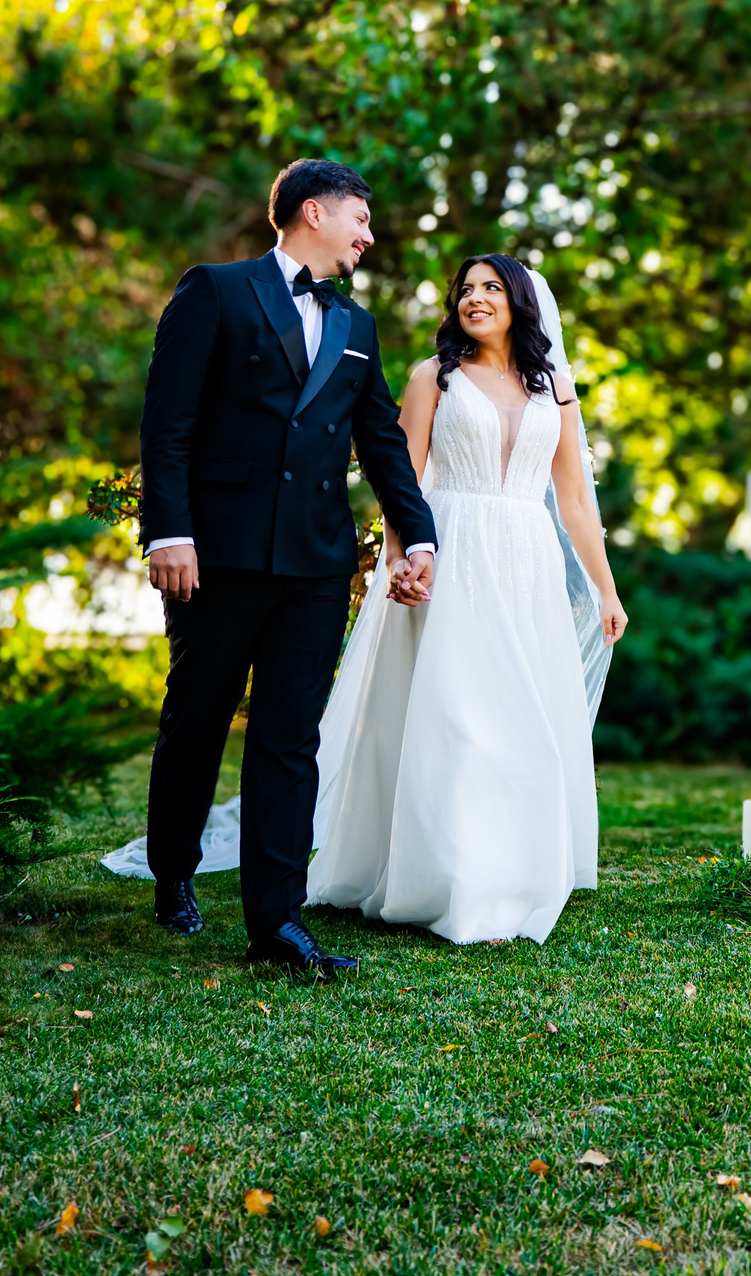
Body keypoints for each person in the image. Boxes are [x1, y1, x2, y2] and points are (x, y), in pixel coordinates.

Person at [126, 160, 438, 979]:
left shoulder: (358, 327)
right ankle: (174, 873)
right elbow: (168, 427)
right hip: (216, 556)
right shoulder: (216, 292)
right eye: (360, 220)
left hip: (315, 563)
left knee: (290, 740)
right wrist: (170, 534)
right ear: (312, 212)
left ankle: (277, 920)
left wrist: (421, 535)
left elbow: (381, 445)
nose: (369, 237)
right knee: (197, 719)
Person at [306, 252, 627, 944]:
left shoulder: (557, 387)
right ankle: (450, 879)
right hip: (449, 550)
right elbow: (403, 478)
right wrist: (401, 558)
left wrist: (605, 586)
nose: (474, 298)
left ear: (520, 301)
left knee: (523, 714)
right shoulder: (434, 378)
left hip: (527, 561)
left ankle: (516, 866)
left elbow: (572, 499)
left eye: (490, 287)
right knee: (455, 714)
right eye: (465, 290)